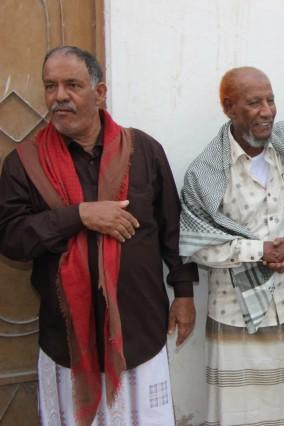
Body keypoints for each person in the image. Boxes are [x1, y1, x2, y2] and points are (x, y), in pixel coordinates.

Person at [0, 46, 197, 425]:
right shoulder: (24, 163)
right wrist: (78, 216)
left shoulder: (144, 151)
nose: (59, 96)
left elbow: (173, 229)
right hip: (67, 342)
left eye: (72, 85)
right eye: (50, 86)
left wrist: (184, 294)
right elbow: (11, 239)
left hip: (140, 330)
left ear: (100, 92)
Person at [179, 67, 284, 426]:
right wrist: (260, 251)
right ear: (229, 107)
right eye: (254, 102)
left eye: (270, 100)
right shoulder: (205, 172)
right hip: (234, 317)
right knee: (237, 416)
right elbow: (195, 243)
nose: (267, 111)